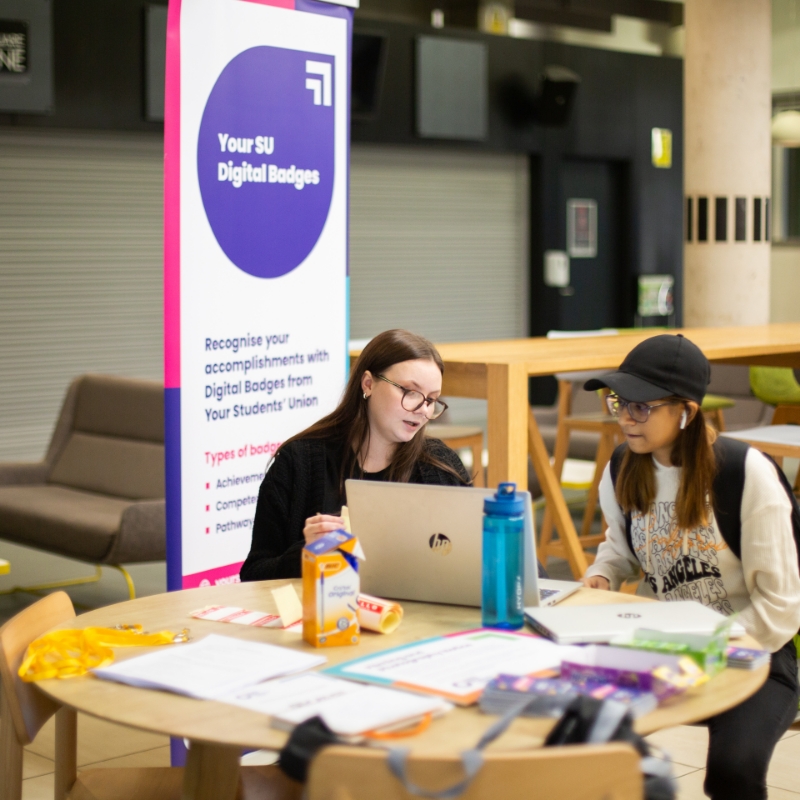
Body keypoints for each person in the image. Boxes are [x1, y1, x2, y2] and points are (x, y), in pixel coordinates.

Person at [582, 334, 800, 800]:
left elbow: (781, 609)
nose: (623, 417)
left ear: (686, 411)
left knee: (732, 771)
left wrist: (699, 646)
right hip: (664, 648)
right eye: (618, 401)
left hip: (754, 653)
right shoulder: (623, 466)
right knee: (580, 739)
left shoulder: (746, 474)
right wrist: (602, 577)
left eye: (640, 407)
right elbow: (619, 551)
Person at [240, 329, 471, 581]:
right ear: (368, 384)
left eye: (431, 399)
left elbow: (468, 564)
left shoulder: (441, 467)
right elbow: (253, 575)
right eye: (410, 392)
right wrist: (305, 554)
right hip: (325, 617)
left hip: (414, 616)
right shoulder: (298, 462)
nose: (422, 410)